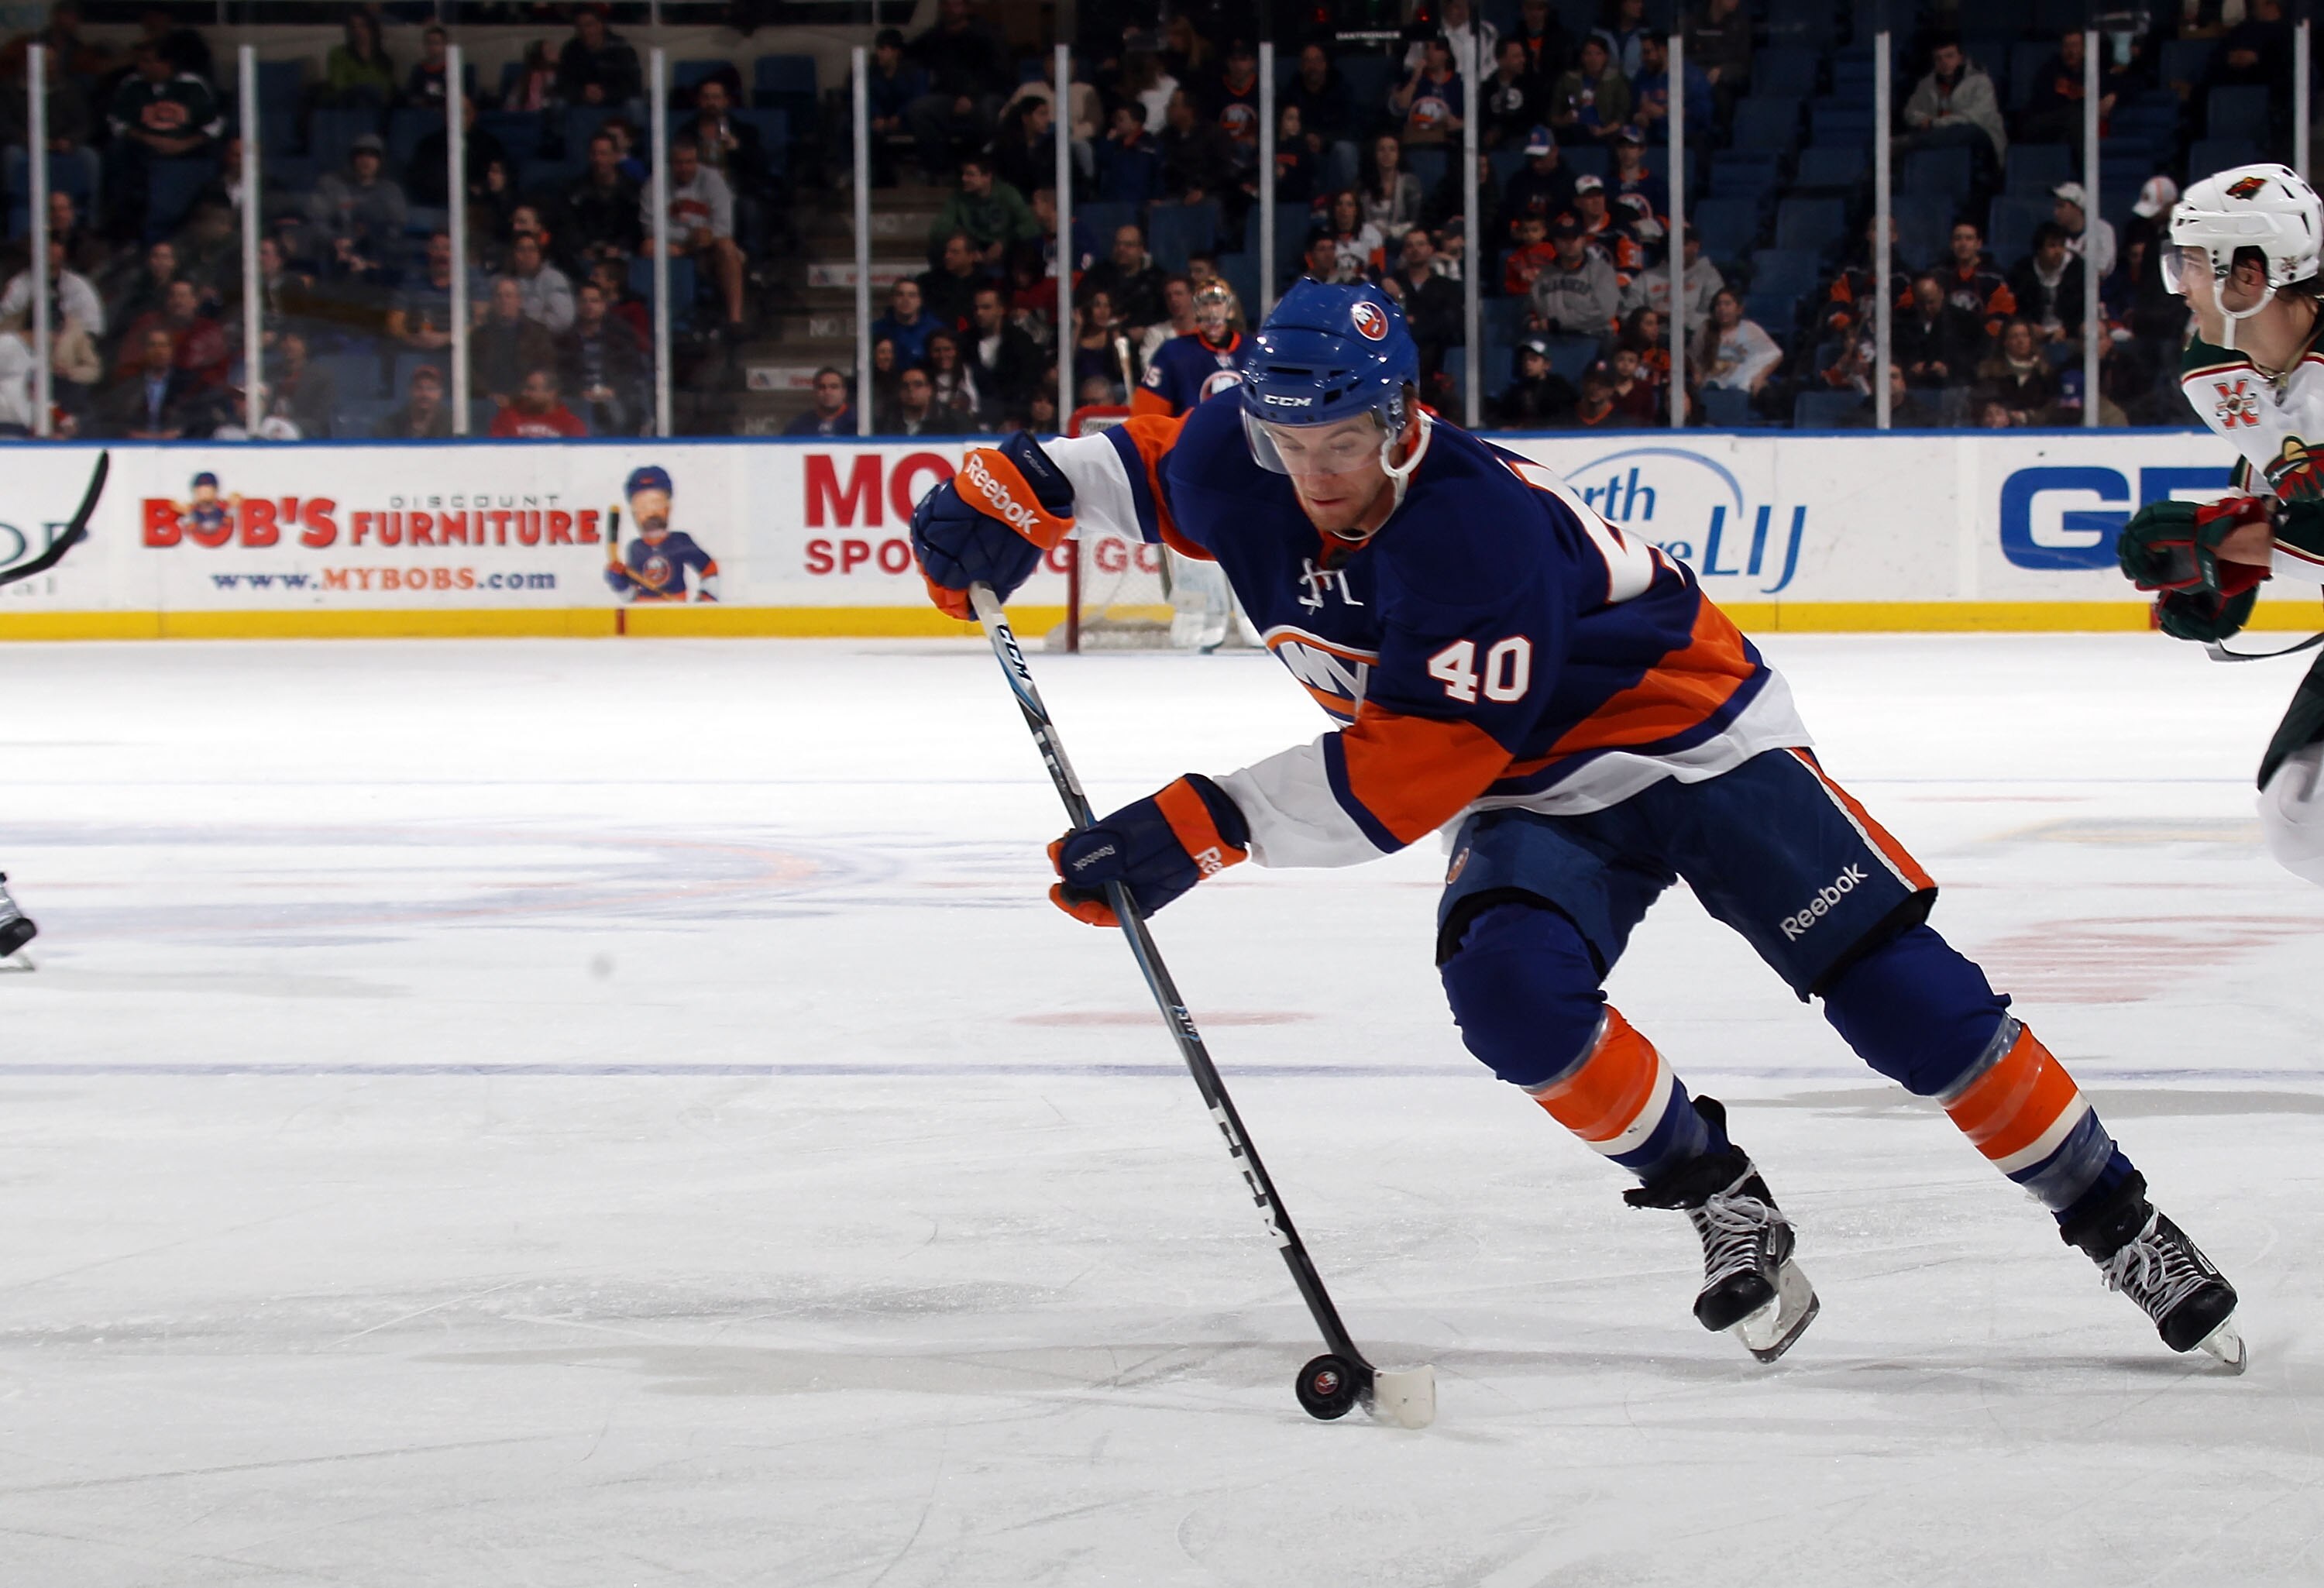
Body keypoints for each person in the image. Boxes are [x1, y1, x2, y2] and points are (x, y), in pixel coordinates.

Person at [908, 278, 2247, 1372]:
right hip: (1530, 779)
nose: (1314, 476)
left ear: (1403, 420)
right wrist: (1002, 491)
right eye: (1288, 444)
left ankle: (2118, 1219)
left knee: (1904, 1002)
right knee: (1512, 1001)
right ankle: (1718, 1192)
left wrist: (1197, 826)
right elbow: (1132, 468)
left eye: (1342, 445)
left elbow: (1416, 767)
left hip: (1683, 728)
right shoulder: (1239, 450)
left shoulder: (1470, 530)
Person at [2116, 163, 2324, 894]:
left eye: (2194, 266)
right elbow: (2284, 473)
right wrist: (2231, 563)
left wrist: (2227, 541)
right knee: (2300, 809)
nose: (2182, 285)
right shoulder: (2222, 370)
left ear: (2252, 274)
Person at [102, 40, 222, 240]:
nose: (142, 66)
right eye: (140, 61)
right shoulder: (132, 85)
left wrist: (184, 144)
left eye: (149, 61)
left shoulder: (192, 85)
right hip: (143, 151)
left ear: (167, 63)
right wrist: (147, 138)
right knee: (118, 151)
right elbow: (117, 122)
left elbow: (214, 125)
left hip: (185, 149)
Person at [639, 139, 744, 332]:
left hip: (708, 248)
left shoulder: (713, 180)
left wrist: (706, 237)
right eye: (680, 162)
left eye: (690, 162)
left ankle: (735, 319)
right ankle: (666, 317)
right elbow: (650, 226)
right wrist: (687, 239)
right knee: (648, 247)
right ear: (671, 163)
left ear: (697, 161)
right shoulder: (655, 182)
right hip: (675, 246)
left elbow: (724, 226)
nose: (685, 168)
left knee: (728, 248)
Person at [902, 0, 1013, 181]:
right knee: (920, 109)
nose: (950, 9)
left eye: (955, 4)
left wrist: (971, 97)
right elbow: (910, 52)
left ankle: (987, 169)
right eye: (945, 4)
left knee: (987, 111)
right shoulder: (936, 36)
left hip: (985, 95)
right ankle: (939, 168)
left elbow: (999, 73)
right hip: (950, 98)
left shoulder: (986, 35)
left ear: (966, 7)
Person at [1133, 277, 1246, 418]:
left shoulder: (1254, 352)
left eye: (1217, 303)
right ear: (1196, 310)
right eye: (1205, 304)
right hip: (1191, 438)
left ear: (1230, 310)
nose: (1212, 312)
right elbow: (1146, 416)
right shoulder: (1172, 352)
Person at [606, 466, 719, 602]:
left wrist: (705, 602)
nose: (651, 512)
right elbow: (632, 598)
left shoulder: (680, 541)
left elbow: (709, 568)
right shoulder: (635, 547)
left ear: (668, 507)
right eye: (643, 506)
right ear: (634, 512)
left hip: (674, 616)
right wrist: (620, 585)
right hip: (643, 618)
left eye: (657, 503)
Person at [307, 134, 407, 281]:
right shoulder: (331, 185)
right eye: (361, 154)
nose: (366, 160)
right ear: (352, 158)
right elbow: (316, 220)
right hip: (335, 254)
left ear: (381, 160)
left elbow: (396, 229)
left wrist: (370, 242)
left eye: (372, 155)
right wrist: (335, 240)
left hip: (376, 256)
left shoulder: (390, 191)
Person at [1897, 33, 2006, 166]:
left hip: (1981, 138)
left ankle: (1911, 143)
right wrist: (1923, 121)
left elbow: (1975, 117)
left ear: (1960, 58)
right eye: (1938, 58)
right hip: (1939, 138)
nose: (1944, 62)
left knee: (1966, 131)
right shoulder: (1927, 84)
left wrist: (1934, 123)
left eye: (1949, 56)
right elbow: (1911, 112)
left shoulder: (1980, 82)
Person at [558, 278, 646, 434]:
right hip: (578, 398)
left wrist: (613, 389)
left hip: (612, 395)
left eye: (594, 301)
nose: (589, 306)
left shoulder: (620, 339)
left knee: (620, 416)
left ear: (604, 305)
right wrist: (580, 392)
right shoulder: (565, 340)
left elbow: (632, 372)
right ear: (577, 305)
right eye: (584, 301)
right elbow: (560, 375)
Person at [930, 155, 1039, 269]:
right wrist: (967, 246)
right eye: (964, 174)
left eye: (970, 175)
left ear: (987, 176)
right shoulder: (957, 197)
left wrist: (1004, 243)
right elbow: (941, 229)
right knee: (937, 250)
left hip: (1006, 246)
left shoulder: (1008, 194)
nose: (964, 179)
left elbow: (1030, 224)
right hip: (973, 246)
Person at [1385, 225, 1461, 382]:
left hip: (1435, 362)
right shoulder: (1393, 284)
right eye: (1410, 245)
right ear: (1404, 252)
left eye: (1420, 244)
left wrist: (1415, 321)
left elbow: (1449, 324)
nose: (1415, 250)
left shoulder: (1446, 286)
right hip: (1398, 364)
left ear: (1430, 249)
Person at [470, 275, 557, 409]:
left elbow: (544, 369)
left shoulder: (538, 333)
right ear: (493, 301)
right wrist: (489, 395)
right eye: (499, 296)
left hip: (528, 403)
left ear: (519, 300)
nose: (504, 301)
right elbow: (471, 372)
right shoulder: (479, 336)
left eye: (509, 296)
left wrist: (516, 397)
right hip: (487, 404)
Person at [1530, 215, 1619, 339]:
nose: (1570, 243)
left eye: (1574, 238)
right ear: (1555, 242)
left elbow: (1605, 312)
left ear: (1583, 240)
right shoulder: (1544, 275)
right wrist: (1530, 320)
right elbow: (1531, 307)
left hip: (1593, 339)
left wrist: (1559, 323)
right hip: (1552, 340)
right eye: (1564, 239)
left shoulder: (1602, 271)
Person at [98, 325, 194, 438]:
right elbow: (110, 420)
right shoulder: (129, 386)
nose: (158, 351)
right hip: (137, 446)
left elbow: (197, 416)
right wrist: (134, 434)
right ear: (144, 351)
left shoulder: (188, 383)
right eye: (153, 345)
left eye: (163, 346)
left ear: (172, 350)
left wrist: (179, 432)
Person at [563, 132, 644, 267]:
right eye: (594, 154)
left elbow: (635, 228)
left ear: (615, 156)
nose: (598, 159)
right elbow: (569, 225)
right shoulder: (574, 190)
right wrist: (583, 247)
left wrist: (620, 247)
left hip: (622, 253)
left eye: (603, 154)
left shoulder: (632, 191)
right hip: (585, 253)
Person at [1893, 271, 1982, 392]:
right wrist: (1910, 368)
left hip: (1954, 390)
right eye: (1921, 303)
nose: (1926, 308)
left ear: (1941, 293)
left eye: (1931, 302)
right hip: (1912, 389)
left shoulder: (1965, 322)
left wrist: (1948, 369)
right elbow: (1896, 357)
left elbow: (1976, 360)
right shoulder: (1901, 324)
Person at [966, 284, 1043, 420]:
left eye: (986, 307)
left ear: (1001, 309)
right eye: (976, 308)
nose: (979, 313)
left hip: (1015, 415)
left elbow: (1027, 382)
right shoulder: (965, 342)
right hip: (976, 416)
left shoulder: (1021, 341)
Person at [1935, 219, 2016, 342]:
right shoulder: (1939, 274)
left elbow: (2002, 315)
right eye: (1958, 239)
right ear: (1951, 244)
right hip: (1946, 341)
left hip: (1983, 343)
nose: (1963, 244)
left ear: (1978, 244)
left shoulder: (1995, 277)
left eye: (1969, 239)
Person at [1083, 224, 1170, 338]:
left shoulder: (1158, 279)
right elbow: (1083, 308)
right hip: (1103, 341)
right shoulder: (1098, 275)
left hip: (1146, 342)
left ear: (1141, 249)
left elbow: (1167, 318)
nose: (1121, 249)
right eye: (1118, 244)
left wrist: (1147, 331)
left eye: (1128, 245)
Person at [2007, 222, 2087, 344]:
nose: (2058, 251)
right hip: (2031, 333)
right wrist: (2029, 326)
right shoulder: (2022, 270)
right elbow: (2016, 307)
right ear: (2039, 250)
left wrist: (2068, 330)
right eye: (2052, 246)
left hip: (2069, 334)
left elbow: (2083, 310)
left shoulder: (2077, 269)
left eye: (2062, 245)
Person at [1693, 287, 1780, 398]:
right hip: (1713, 385)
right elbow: (1694, 356)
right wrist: (1697, 373)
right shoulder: (1706, 328)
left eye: (1727, 304)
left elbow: (1775, 355)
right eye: (1719, 305)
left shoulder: (1750, 328)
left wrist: (1760, 376)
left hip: (1742, 385)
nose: (1722, 308)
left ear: (1739, 309)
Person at [1549, 34, 1630, 144]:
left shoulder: (1616, 80)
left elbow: (1622, 116)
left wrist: (1603, 131)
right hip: (1574, 134)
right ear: (1582, 57)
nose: (1593, 59)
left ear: (1606, 57)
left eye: (1598, 54)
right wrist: (1565, 120)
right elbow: (1554, 116)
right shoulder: (1568, 79)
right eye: (1588, 54)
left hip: (1607, 135)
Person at [1974, 316, 2055, 422]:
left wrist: (2027, 417)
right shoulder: (1990, 372)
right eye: (2014, 337)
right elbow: (1982, 404)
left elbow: (2052, 408)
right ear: (2005, 342)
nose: (2021, 341)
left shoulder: (2045, 373)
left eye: (2024, 336)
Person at [1390, 38, 1467, 149]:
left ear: (1446, 54)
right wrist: (1415, 79)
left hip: (1450, 143)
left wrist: (1459, 124)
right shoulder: (1412, 78)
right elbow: (1401, 106)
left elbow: (1475, 120)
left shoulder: (1459, 83)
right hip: (1415, 142)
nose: (1429, 53)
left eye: (1436, 49)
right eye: (1427, 48)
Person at [557, 8, 641, 108]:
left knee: (635, 106)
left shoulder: (621, 47)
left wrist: (605, 93)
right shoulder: (571, 49)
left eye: (589, 25)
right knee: (558, 103)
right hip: (581, 97)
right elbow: (563, 82)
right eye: (580, 27)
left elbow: (632, 85)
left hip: (615, 98)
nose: (585, 31)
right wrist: (582, 92)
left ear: (600, 25)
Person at [1494, 335, 1576, 423]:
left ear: (1547, 364)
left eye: (1533, 359)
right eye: (1524, 359)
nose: (1528, 363)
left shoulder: (1559, 387)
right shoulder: (1515, 392)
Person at [320, 10, 394, 108]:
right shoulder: (339, 54)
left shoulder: (384, 60)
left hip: (376, 106)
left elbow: (386, 90)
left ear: (372, 29)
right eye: (354, 27)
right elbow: (340, 86)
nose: (358, 31)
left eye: (363, 26)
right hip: (347, 104)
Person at [1095, 102, 1164, 205]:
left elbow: (1159, 174)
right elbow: (1102, 162)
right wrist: (1108, 142)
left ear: (1135, 124)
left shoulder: (1152, 146)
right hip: (1112, 205)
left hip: (1142, 205)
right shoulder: (1112, 144)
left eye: (1121, 120)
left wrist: (1157, 197)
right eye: (1116, 119)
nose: (1116, 123)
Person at [488, 367, 587, 438]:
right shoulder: (508, 417)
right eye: (525, 388)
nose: (524, 393)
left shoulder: (571, 424)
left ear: (551, 393)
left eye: (531, 389)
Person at [2052, 180, 2119, 284]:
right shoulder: (2053, 235)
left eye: (2061, 206)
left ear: (2077, 208)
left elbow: (2102, 271)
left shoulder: (2102, 230)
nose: (2056, 212)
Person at [507, 232, 574, 335]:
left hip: (547, 341)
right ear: (513, 255)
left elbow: (563, 319)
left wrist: (527, 322)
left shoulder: (554, 278)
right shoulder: (504, 281)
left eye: (532, 250)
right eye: (521, 250)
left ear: (540, 254)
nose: (527, 255)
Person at [877, 363, 964, 435]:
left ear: (929, 390)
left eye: (918, 385)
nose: (911, 390)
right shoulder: (886, 422)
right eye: (905, 386)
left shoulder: (952, 421)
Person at [375, 361, 452, 438]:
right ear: (410, 391)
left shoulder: (453, 425)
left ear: (441, 393)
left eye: (431, 389)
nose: (425, 394)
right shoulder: (389, 426)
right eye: (419, 388)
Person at [872, 277, 937, 370]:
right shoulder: (875, 330)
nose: (906, 300)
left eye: (912, 295)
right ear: (891, 300)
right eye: (900, 295)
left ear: (920, 301)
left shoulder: (934, 330)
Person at [786, 366, 857, 436]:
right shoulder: (799, 426)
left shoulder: (858, 422)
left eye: (834, 387)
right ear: (815, 392)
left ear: (844, 392)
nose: (828, 392)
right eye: (822, 387)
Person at [406, 24, 454, 108]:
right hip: (424, 113)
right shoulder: (418, 71)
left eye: (436, 43)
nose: (432, 47)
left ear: (445, 45)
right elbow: (411, 96)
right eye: (429, 43)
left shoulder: (454, 70)